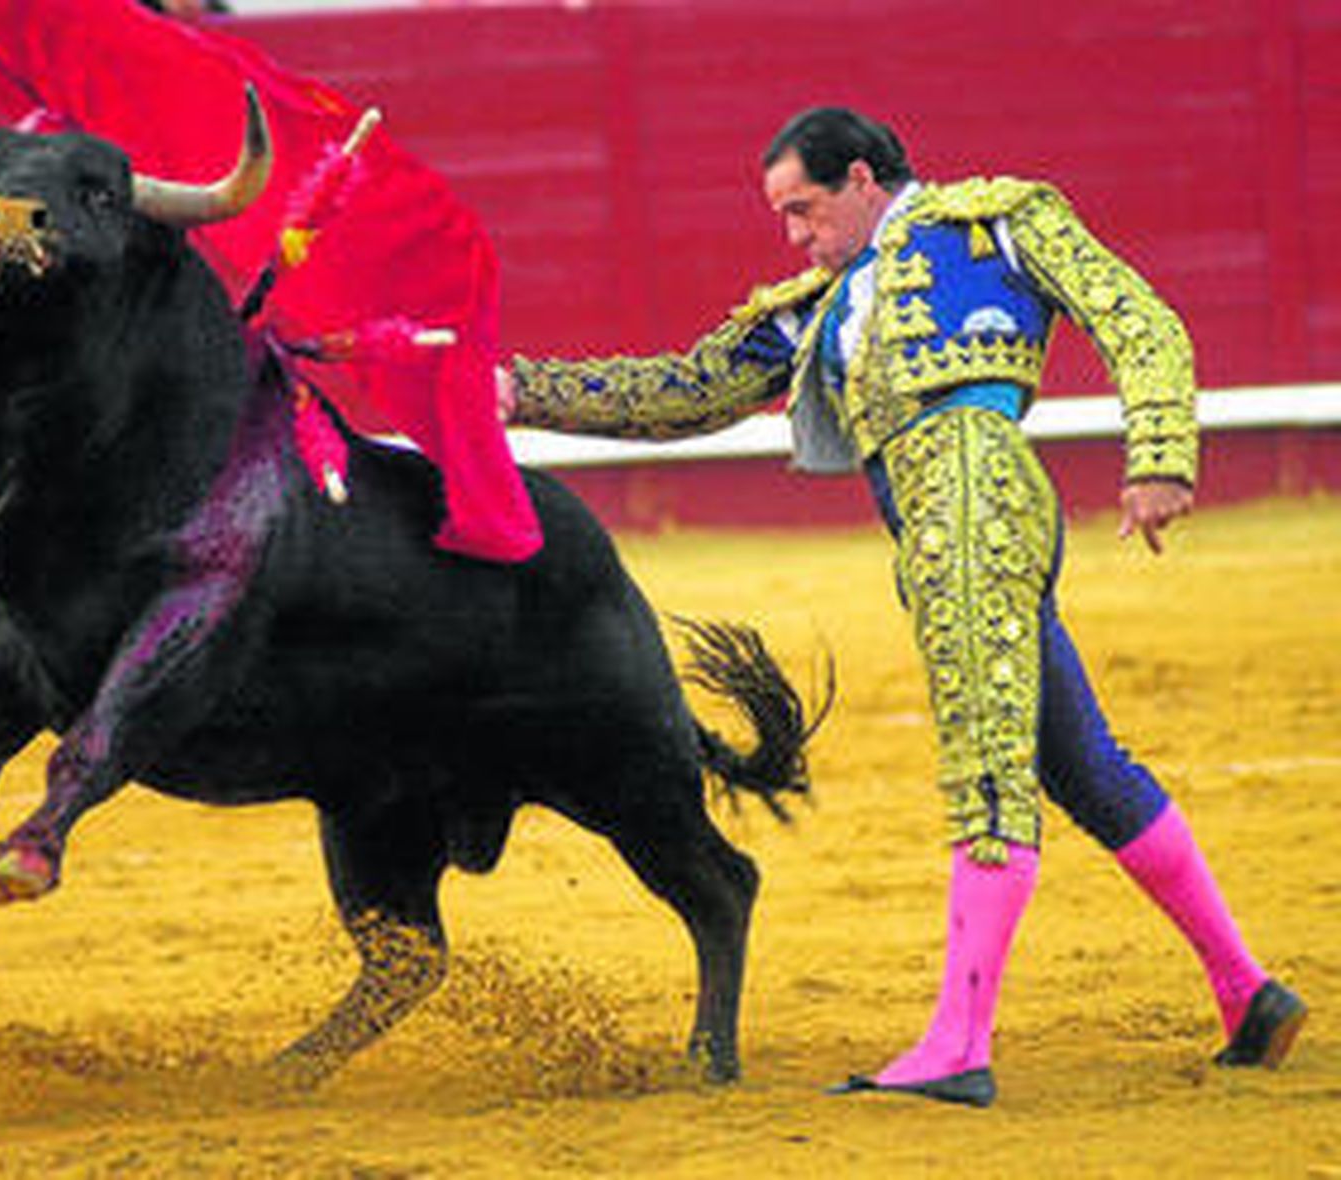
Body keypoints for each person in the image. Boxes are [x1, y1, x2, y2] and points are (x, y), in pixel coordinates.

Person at [499, 106, 1306, 1107]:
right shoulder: (818, 308)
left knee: (985, 768)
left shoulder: (998, 220)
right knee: (1079, 764)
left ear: (863, 181)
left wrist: (1158, 456)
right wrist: (520, 390)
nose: (793, 235)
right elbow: (686, 389)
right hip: (936, 521)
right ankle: (1246, 991)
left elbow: (1132, 314)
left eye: (803, 209)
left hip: (971, 494)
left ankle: (958, 1043)